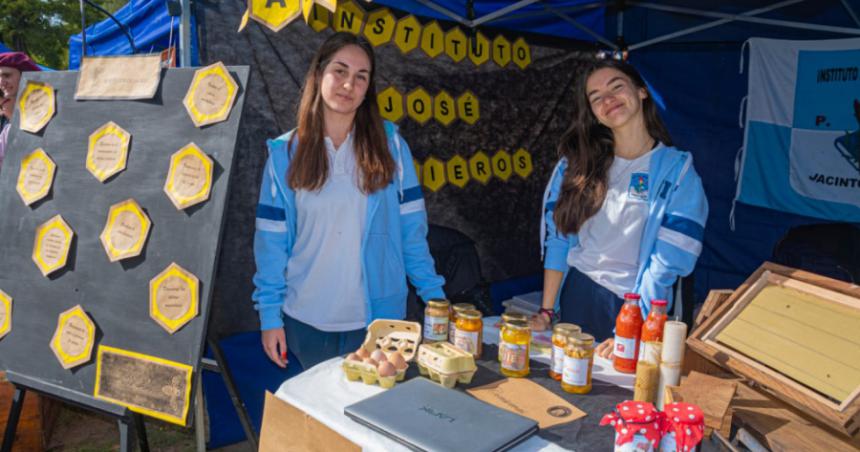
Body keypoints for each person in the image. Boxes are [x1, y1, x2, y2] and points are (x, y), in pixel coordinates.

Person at [252, 32, 445, 370]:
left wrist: (435, 298)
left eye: (361, 77)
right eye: (339, 71)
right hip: (305, 321)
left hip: (380, 324)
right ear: (318, 75)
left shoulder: (391, 147)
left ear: (369, 88)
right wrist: (270, 317)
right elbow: (271, 247)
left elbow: (412, 233)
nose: (348, 85)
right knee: (317, 420)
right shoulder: (284, 154)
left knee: (373, 417)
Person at [533, 59, 708, 358]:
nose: (608, 99)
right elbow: (559, 239)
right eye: (596, 97)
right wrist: (547, 312)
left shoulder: (678, 171)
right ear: (593, 114)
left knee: (625, 399)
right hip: (579, 293)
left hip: (634, 304)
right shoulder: (575, 165)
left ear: (641, 92)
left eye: (616, 87)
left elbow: (665, 264)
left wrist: (632, 326)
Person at [0, 52, 41, 171]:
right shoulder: (8, 130)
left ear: (24, 77)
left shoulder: (46, 118)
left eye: (7, 76)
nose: (1, 82)